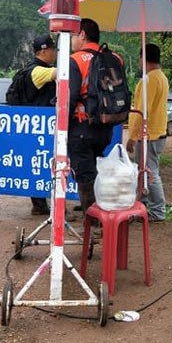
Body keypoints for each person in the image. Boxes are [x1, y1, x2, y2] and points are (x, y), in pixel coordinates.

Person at [68, 18, 124, 215]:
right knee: (96, 170)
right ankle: (100, 214)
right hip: (106, 126)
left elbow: (71, 97)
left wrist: (63, 127)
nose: (72, 40)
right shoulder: (115, 58)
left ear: (82, 34)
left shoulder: (75, 60)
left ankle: (94, 223)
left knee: (84, 176)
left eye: (74, 35)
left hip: (82, 126)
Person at [10, 34, 57, 215]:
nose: (55, 53)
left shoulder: (33, 69)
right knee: (45, 164)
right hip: (40, 127)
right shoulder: (38, 71)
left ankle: (40, 205)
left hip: (34, 127)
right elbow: (61, 73)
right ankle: (41, 205)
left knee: (37, 164)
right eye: (53, 50)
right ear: (44, 51)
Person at [126, 43, 169, 222]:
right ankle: (141, 204)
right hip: (157, 132)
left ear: (144, 58)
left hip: (149, 134)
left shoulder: (149, 80)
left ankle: (158, 211)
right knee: (144, 171)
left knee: (150, 172)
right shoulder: (161, 77)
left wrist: (132, 136)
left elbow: (142, 110)